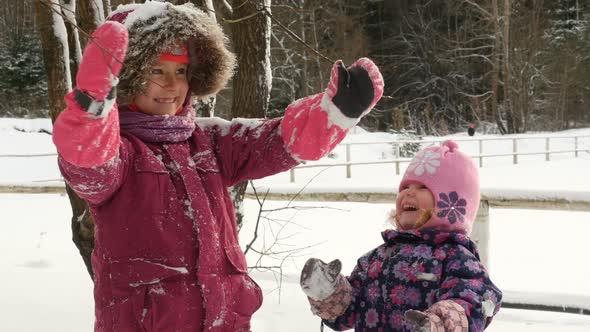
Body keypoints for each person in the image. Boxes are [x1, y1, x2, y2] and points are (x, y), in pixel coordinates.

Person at [51, 2, 383, 331]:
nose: (171, 84)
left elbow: (278, 141)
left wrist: (334, 112)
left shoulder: (208, 140)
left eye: (180, 71)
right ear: (126, 78)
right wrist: (91, 111)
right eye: (156, 71)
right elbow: (89, 162)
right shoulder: (121, 153)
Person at [300, 140, 502, 332]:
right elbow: (348, 313)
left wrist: (439, 323)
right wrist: (329, 292)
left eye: (423, 187)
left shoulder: (455, 258)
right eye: (405, 187)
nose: (409, 193)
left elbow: (478, 300)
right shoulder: (376, 259)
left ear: (450, 204)